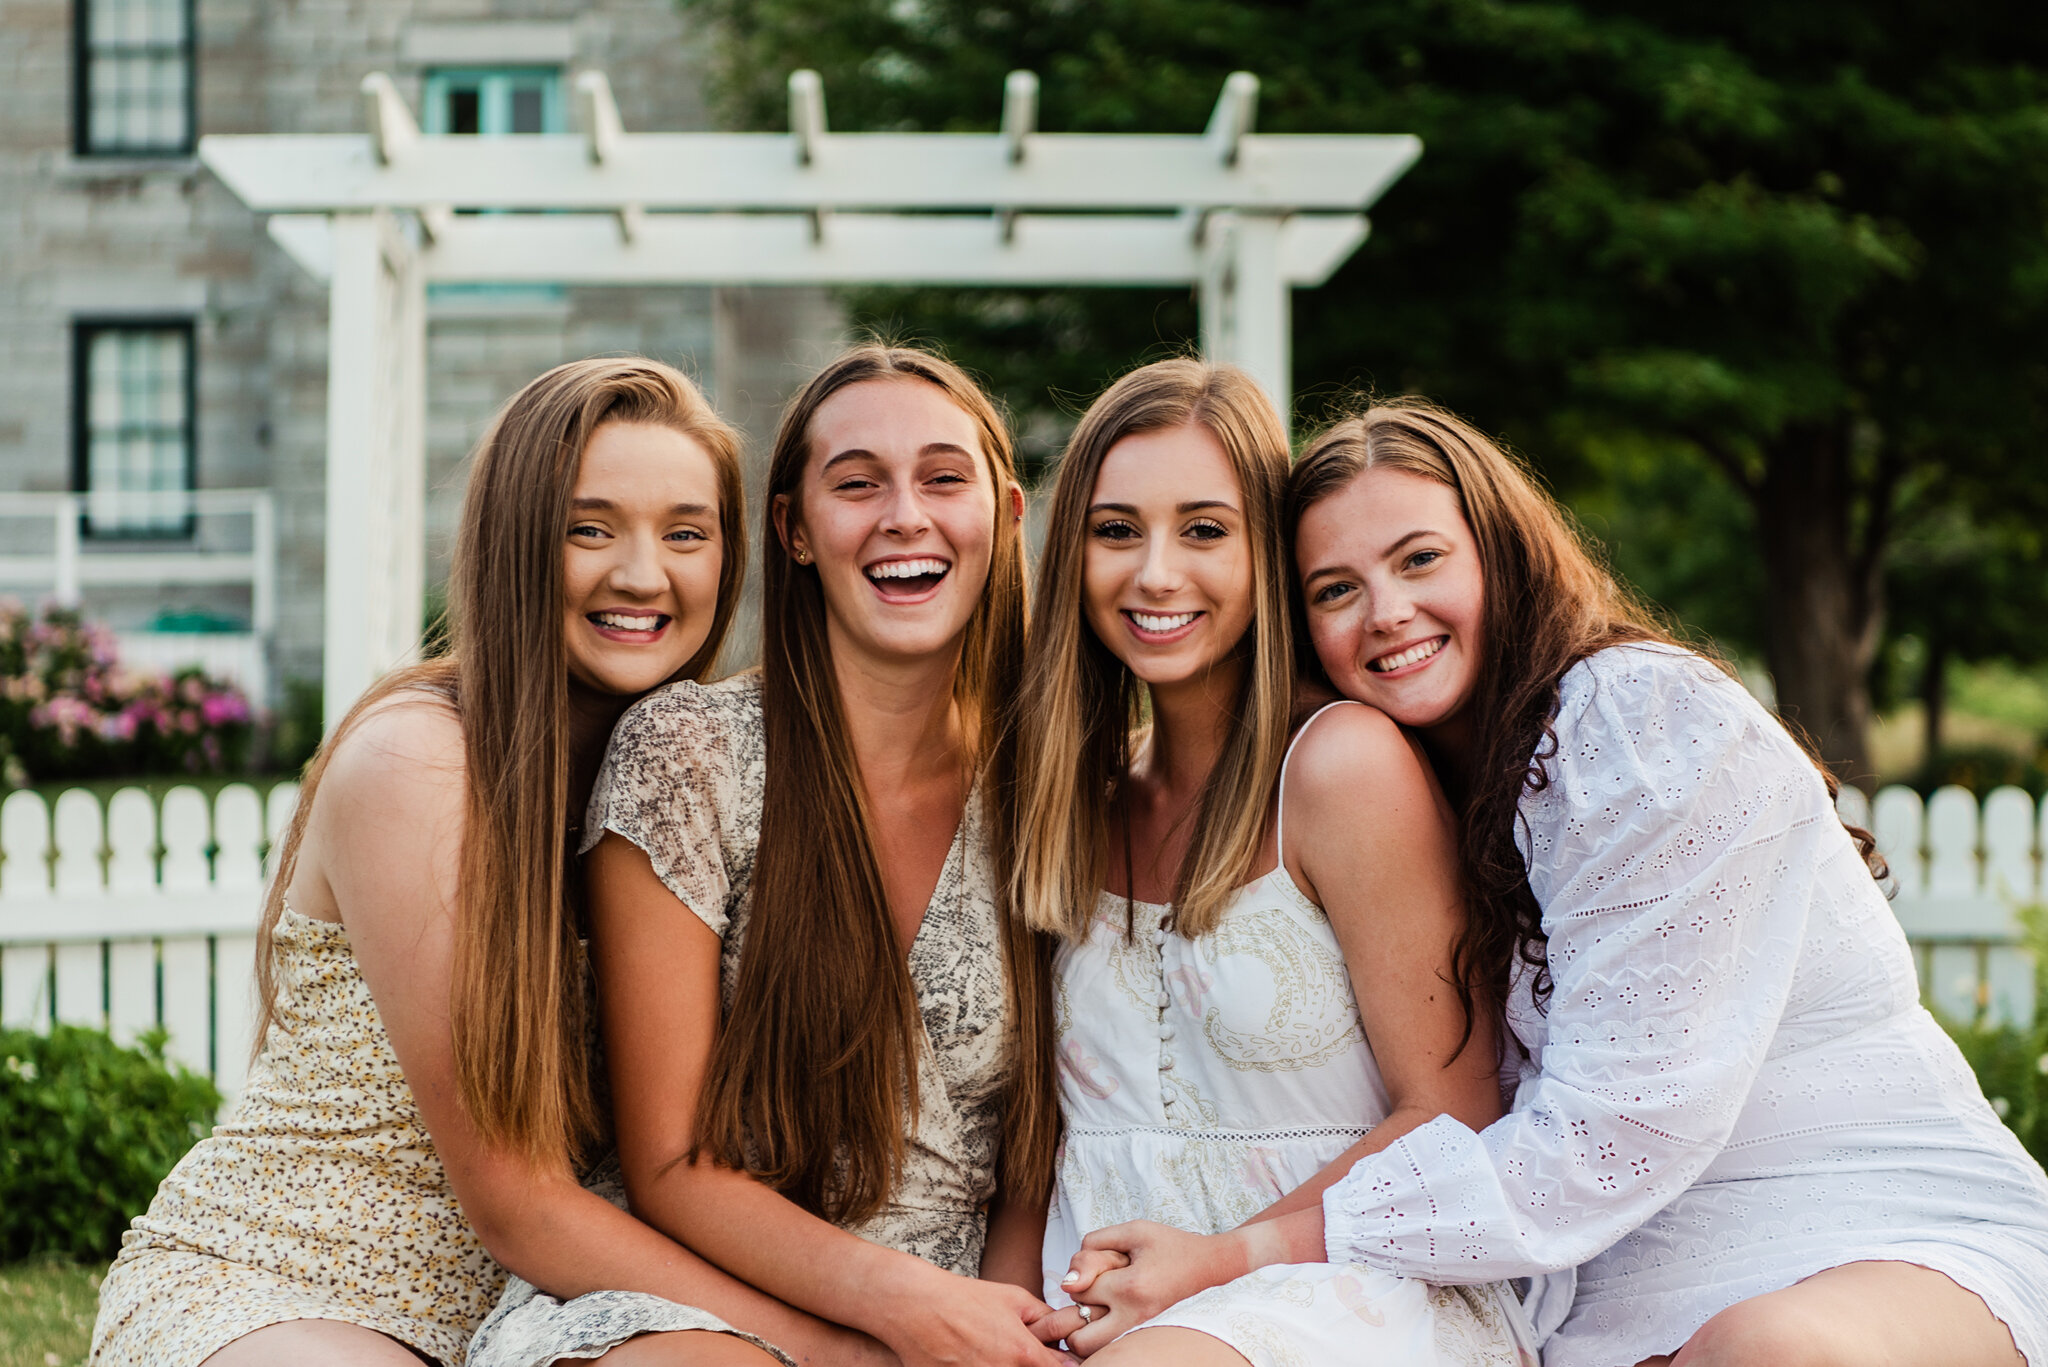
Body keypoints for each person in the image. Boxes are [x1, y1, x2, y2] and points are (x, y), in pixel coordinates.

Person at [1067, 399, 2048, 1367]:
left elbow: (1610, 1133)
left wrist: (1240, 1253)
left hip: (1863, 1228)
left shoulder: (1630, 723)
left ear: (1500, 553)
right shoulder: (1406, 777)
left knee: (1769, 1348)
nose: (1386, 611)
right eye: (1333, 589)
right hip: (1605, 1291)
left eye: (1419, 559)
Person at [89, 358, 882, 1367]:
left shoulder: (704, 776)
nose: (643, 573)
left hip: (552, 1313)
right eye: (588, 528)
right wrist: (839, 1348)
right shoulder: (416, 758)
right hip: (290, 1282)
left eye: (685, 532)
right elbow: (519, 1201)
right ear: (514, 542)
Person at [467, 344, 1066, 1367]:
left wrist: (998, 1317)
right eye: (856, 482)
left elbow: (1032, 1153)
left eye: (940, 476)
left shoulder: (1050, 785)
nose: (903, 516)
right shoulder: (688, 753)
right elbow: (670, 1161)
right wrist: (892, 1308)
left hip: (965, 1308)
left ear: (1004, 516)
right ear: (792, 528)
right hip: (709, 1295)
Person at [1014, 361, 1537, 1367]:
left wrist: (1213, 1264)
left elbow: (1455, 1106)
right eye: (1115, 530)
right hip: (1100, 1299)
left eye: (1204, 530)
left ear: (1268, 553)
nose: (1154, 572)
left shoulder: (1338, 767)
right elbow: (1040, 1144)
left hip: (1340, 1289)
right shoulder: (1076, 800)